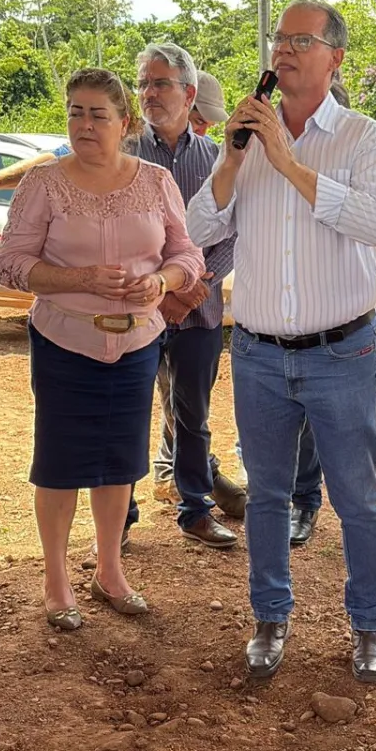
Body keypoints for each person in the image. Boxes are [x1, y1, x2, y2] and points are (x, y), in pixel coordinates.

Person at [187, 0, 376, 684]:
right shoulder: (247, 138)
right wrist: (233, 159)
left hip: (344, 352)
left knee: (358, 499)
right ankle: (269, 618)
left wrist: (286, 159)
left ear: (334, 57)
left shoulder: (363, 138)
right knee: (269, 495)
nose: (283, 49)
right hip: (257, 353)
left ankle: (368, 627)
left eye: (300, 39)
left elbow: (374, 223)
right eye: (279, 38)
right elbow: (194, 232)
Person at [0, 68, 204, 630]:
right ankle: (56, 579)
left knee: (120, 463)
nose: (84, 124)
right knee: (61, 464)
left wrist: (161, 283)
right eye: (75, 112)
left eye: (97, 114)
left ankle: (109, 570)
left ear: (124, 123)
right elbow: (10, 264)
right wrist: (79, 278)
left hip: (137, 344)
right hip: (65, 341)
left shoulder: (157, 181)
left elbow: (188, 256)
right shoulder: (43, 183)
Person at [127, 46, 244, 550]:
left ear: (189, 94)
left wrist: (194, 289)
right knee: (129, 410)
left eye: (162, 84)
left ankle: (195, 508)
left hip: (199, 311)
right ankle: (122, 515)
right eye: (145, 84)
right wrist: (159, 294)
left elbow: (233, 233)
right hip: (135, 308)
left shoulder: (218, 159)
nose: (150, 94)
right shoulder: (125, 151)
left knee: (192, 413)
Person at [292, 170, 376, 555]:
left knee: (372, 419)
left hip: (361, 326)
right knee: (306, 420)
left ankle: (370, 513)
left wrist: (363, 273)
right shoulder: (285, 168)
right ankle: (303, 503)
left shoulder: (374, 170)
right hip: (300, 322)